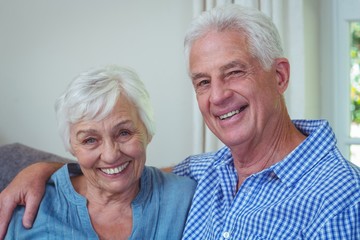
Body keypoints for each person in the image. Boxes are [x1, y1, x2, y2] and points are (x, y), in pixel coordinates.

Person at [1, 4, 360, 239]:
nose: (217, 96)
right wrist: (38, 169)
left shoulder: (341, 197)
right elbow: (117, 169)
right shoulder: (201, 173)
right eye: (203, 81)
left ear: (279, 76)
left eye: (234, 72)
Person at [2, 65, 196, 239]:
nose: (111, 155)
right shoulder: (30, 207)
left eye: (124, 133)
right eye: (90, 140)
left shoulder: (186, 198)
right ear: (71, 145)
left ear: (148, 131)